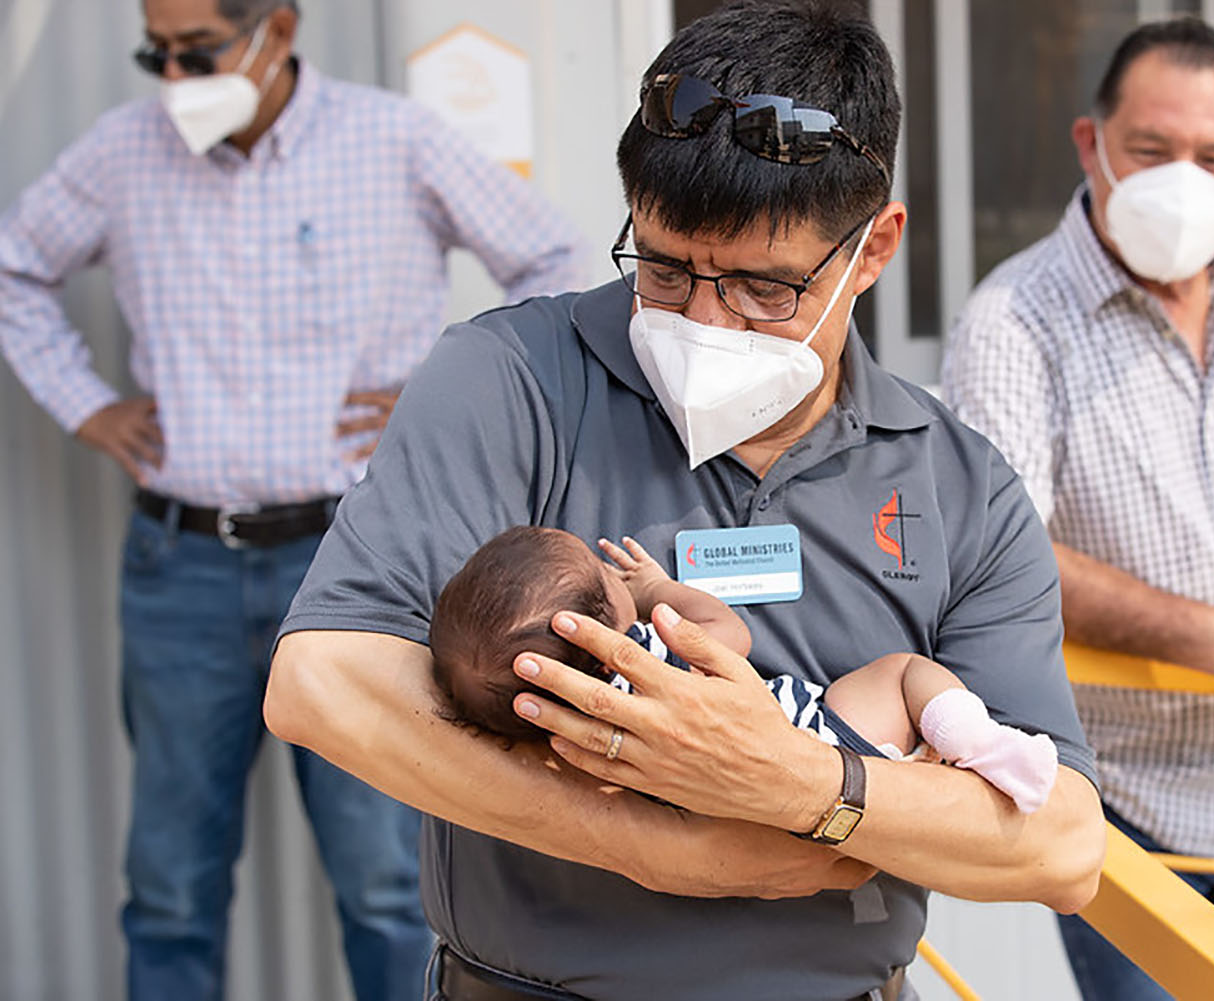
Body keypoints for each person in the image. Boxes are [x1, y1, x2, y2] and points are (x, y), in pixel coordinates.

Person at [264, 3, 1106, 1000]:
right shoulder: (513, 379)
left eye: (763, 288)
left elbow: (1060, 845)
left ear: (873, 250)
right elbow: (323, 682)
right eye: (664, 269)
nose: (705, 320)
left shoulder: (957, 483)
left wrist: (802, 785)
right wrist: (651, 843)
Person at [0, 0, 589, 997]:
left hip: (355, 567)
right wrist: (87, 407)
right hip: (182, 567)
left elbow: (553, 262)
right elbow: (15, 266)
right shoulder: (123, 152)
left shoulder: (392, 140)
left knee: (387, 881)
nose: (176, 79)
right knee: (171, 885)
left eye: (199, 52)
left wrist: (438, 398)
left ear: (277, 27)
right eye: (157, 54)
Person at [943, 17, 1214, 998]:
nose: (1183, 181)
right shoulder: (1012, 321)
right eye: (1150, 149)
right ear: (1091, 144)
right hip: (1130, 808)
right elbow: (1007, 564)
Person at [429, 528, 1059, 812]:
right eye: (603, 575)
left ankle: (928, 756)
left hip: (749, 809)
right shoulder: (649, 651)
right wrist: (654, 591)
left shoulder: (570, 732)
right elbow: (732, 635)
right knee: (903, 673)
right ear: (604, 624)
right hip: (817, 738)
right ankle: (983, 747)